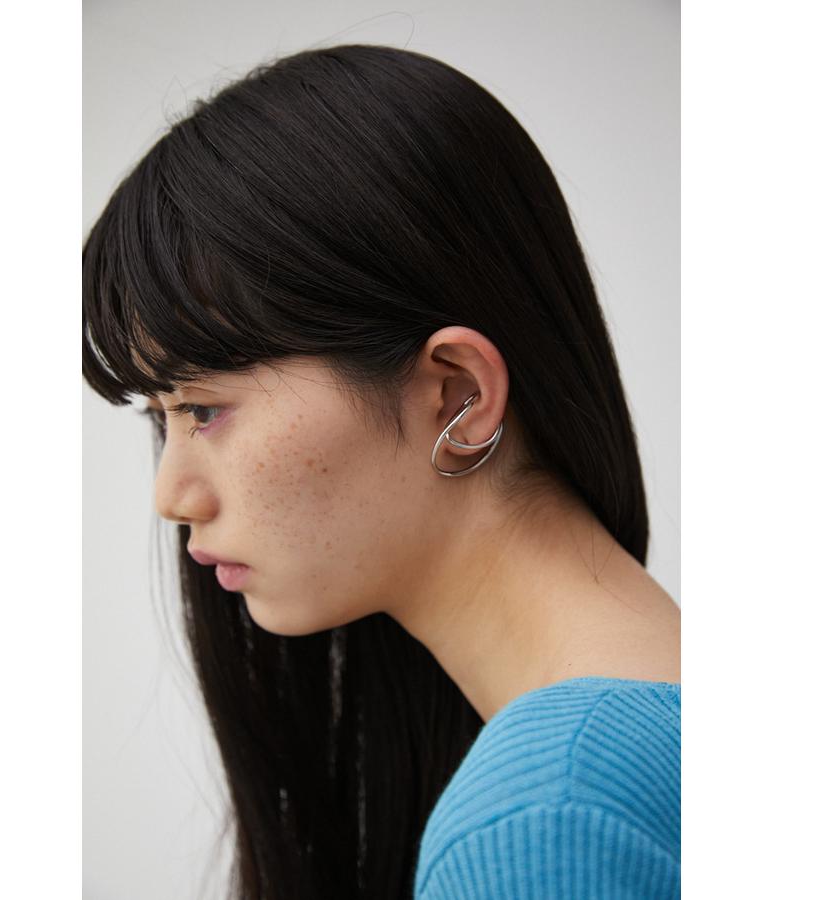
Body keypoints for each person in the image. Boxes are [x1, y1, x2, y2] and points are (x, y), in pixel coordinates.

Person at [82, 43, 680, 899]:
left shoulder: (547, 826)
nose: (172, 495)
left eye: (203, 409)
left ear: (457, 395)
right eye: (160, 418)